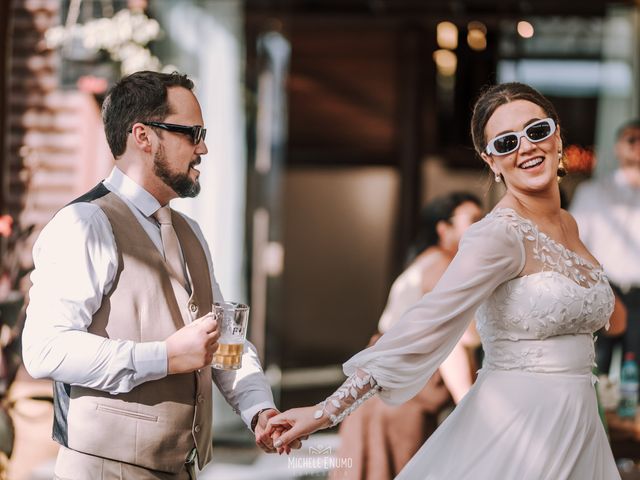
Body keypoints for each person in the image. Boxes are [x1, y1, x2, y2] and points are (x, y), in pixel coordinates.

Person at [261, 82, 622, 479]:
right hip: (521, 424)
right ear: (491, 162)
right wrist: (326, 411)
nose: (526, 147)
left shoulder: (568, 224)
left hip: (581, 418)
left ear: (557, 137)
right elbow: (428, 321)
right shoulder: (498, 234)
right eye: (505, 142)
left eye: (537, 131)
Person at [21, 71, 299, 480]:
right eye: (192, 132)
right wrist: (164, 358)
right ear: (143, 136)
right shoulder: (85, 224)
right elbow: (45, 350)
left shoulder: (191, 232)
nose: (203, 147)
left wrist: (258, 409)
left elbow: (223, 341)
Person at [330, 192, 483, 480]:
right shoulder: (442, 267)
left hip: (382, 394)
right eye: (473, 220)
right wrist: (470, 404)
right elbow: (452, 343)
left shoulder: (427, 263)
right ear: (443, 229)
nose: (482, 226)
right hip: (398, 401)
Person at [571, 119, 640, 375]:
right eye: (631, 140)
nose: (637, 146)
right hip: (602, 290)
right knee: (593, 370)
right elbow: (574, 243)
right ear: (617, 148)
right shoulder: (593, 192)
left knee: (636, 377)